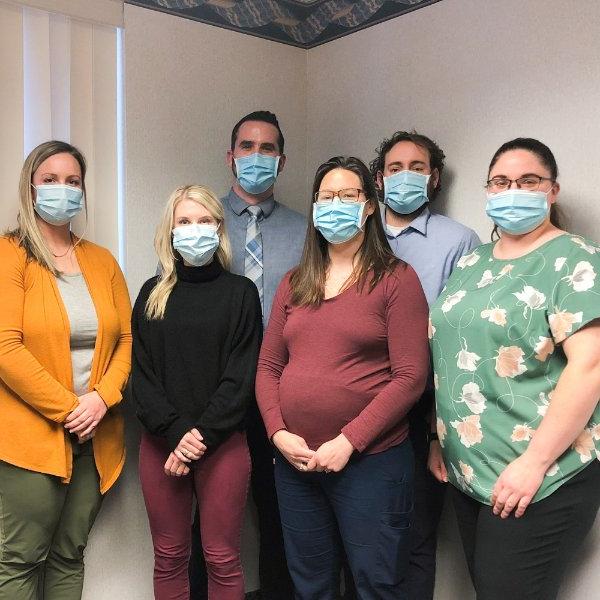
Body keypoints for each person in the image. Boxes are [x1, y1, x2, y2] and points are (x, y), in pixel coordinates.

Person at [428, 138, 600, 599]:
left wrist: (534, 463)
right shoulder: (471, 262)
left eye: (528, 181)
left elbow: (591, 366)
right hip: (470, 471)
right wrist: (437, 437)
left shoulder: (575, 258)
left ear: (553, 190)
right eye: (501, 182)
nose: (513, 190)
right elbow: (448, 355)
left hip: (539, 474)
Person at [256, 156, 430, 599]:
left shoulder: (395, 279)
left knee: (376, 583)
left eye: (348, 195)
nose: (335, 204)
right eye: (326, 196)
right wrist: (277, 433)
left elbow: (411, 377)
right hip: (296, 465)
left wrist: (348, 441)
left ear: (369, 206)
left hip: (370, 463)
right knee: (310, 585)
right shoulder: (296, 282)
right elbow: (269, 367)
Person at [0, 140, 132, 599]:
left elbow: (127, 340)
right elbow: (5, 348)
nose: (63, 189)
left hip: (95, 436)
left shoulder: (101, 260)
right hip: (30, 439)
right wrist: (69, 408)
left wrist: (101, 400)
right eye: (51, 180)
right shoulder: (10, 255)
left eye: (72, 181)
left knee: (69, 555)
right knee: (19, 560)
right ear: (30, 187)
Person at [189, 111, 306, 600]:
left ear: (281, 161)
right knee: (209, 520)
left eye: (267, 149)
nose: (256, 157)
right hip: (217, 394)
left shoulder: (308, 231)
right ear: (230, 156)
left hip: (282, 393)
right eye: (246, 146)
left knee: (282, 514)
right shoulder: (199, 224)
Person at [132, 185, 262, 600]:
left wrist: (197, 439)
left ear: (219, 228)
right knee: (169, 556)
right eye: (184, 222)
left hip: (221, 444)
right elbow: (143, 377)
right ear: (170, 232)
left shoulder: (241, 293)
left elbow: (240, 378)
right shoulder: (152, 294)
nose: (194, 230)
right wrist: (175, 434)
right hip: (161, 445)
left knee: (222, 558)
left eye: (204, 221)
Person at [369, 130, 481, 599]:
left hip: (423, 407)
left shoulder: (459, 241)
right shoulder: (357, 234)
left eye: (417, 168)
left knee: (414, 534)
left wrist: (437, 427)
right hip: (358, 400)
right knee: (364, 536)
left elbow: (462, 335)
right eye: (395, 168)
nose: (405, 177)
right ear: (379, 179)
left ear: (434, 179)